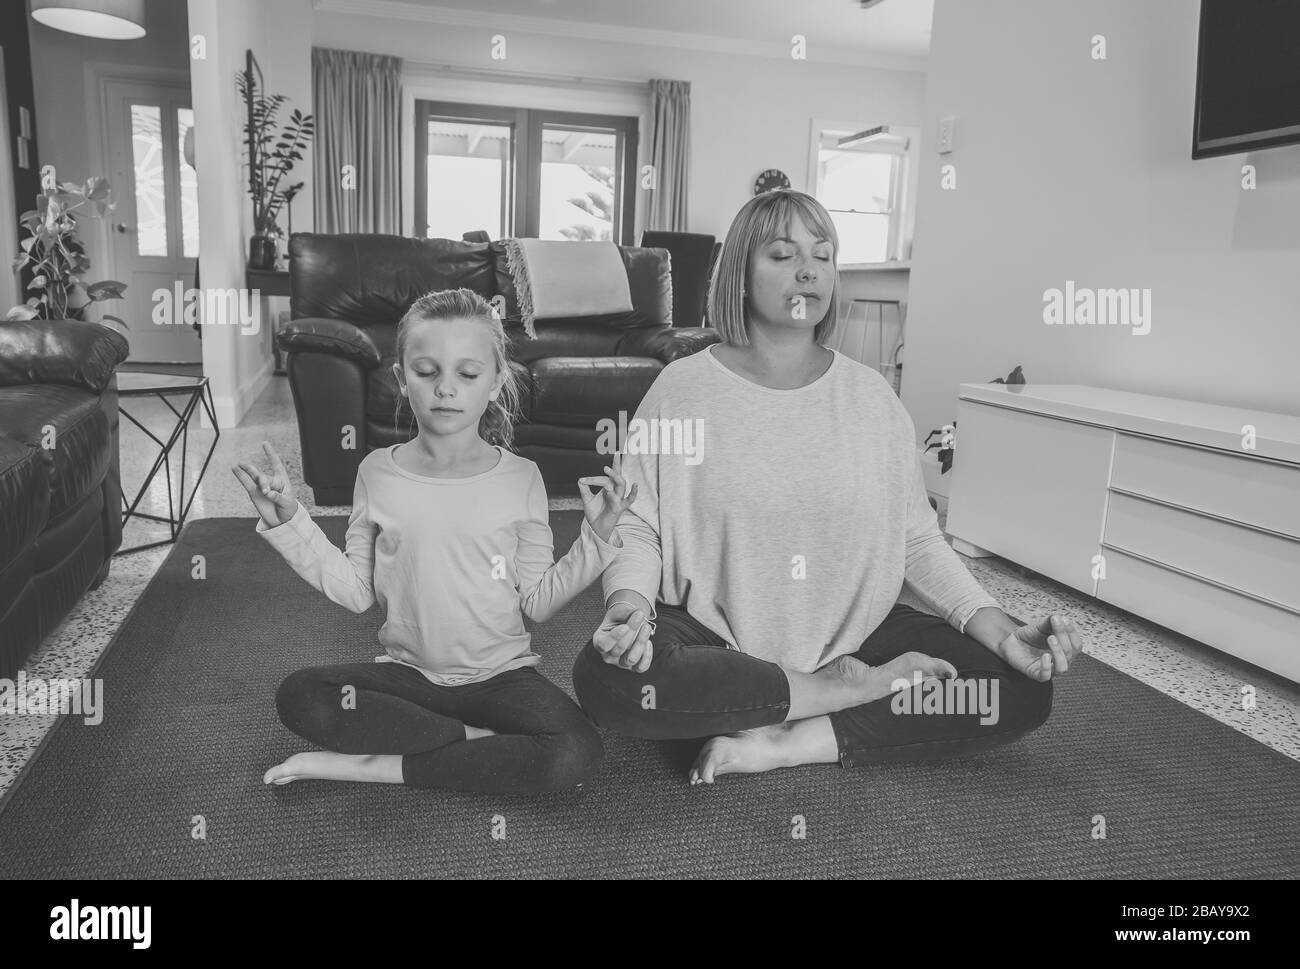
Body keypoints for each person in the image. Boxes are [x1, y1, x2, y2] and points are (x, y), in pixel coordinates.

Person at [572, 190, 1084, 784]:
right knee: (606, 679)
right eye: (783, 255)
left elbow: (916, 540)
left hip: (855, 634)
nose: (809, 270)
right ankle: (828, 693)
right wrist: (630, 606)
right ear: (739, 274)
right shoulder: (681, 390)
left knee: (1016, 687)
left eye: (823, 254)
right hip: (719, 641)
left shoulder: (874, 401)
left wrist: (1002, 630)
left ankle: (799, 737)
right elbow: (636, 521)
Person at [233, 288, 635, 793]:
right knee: (302, 695)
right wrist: (290, 521)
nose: (447, 388)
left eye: (467, 374)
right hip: (409, 679)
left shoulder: (522, 477)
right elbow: (357, 590)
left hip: (500, 677)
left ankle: (383, 764)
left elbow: (538, 602)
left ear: (495, 383)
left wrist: (596, 536)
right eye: (428, 372)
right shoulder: (377, 472)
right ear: (403, 381)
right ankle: (470, 741)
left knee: (577, 753)